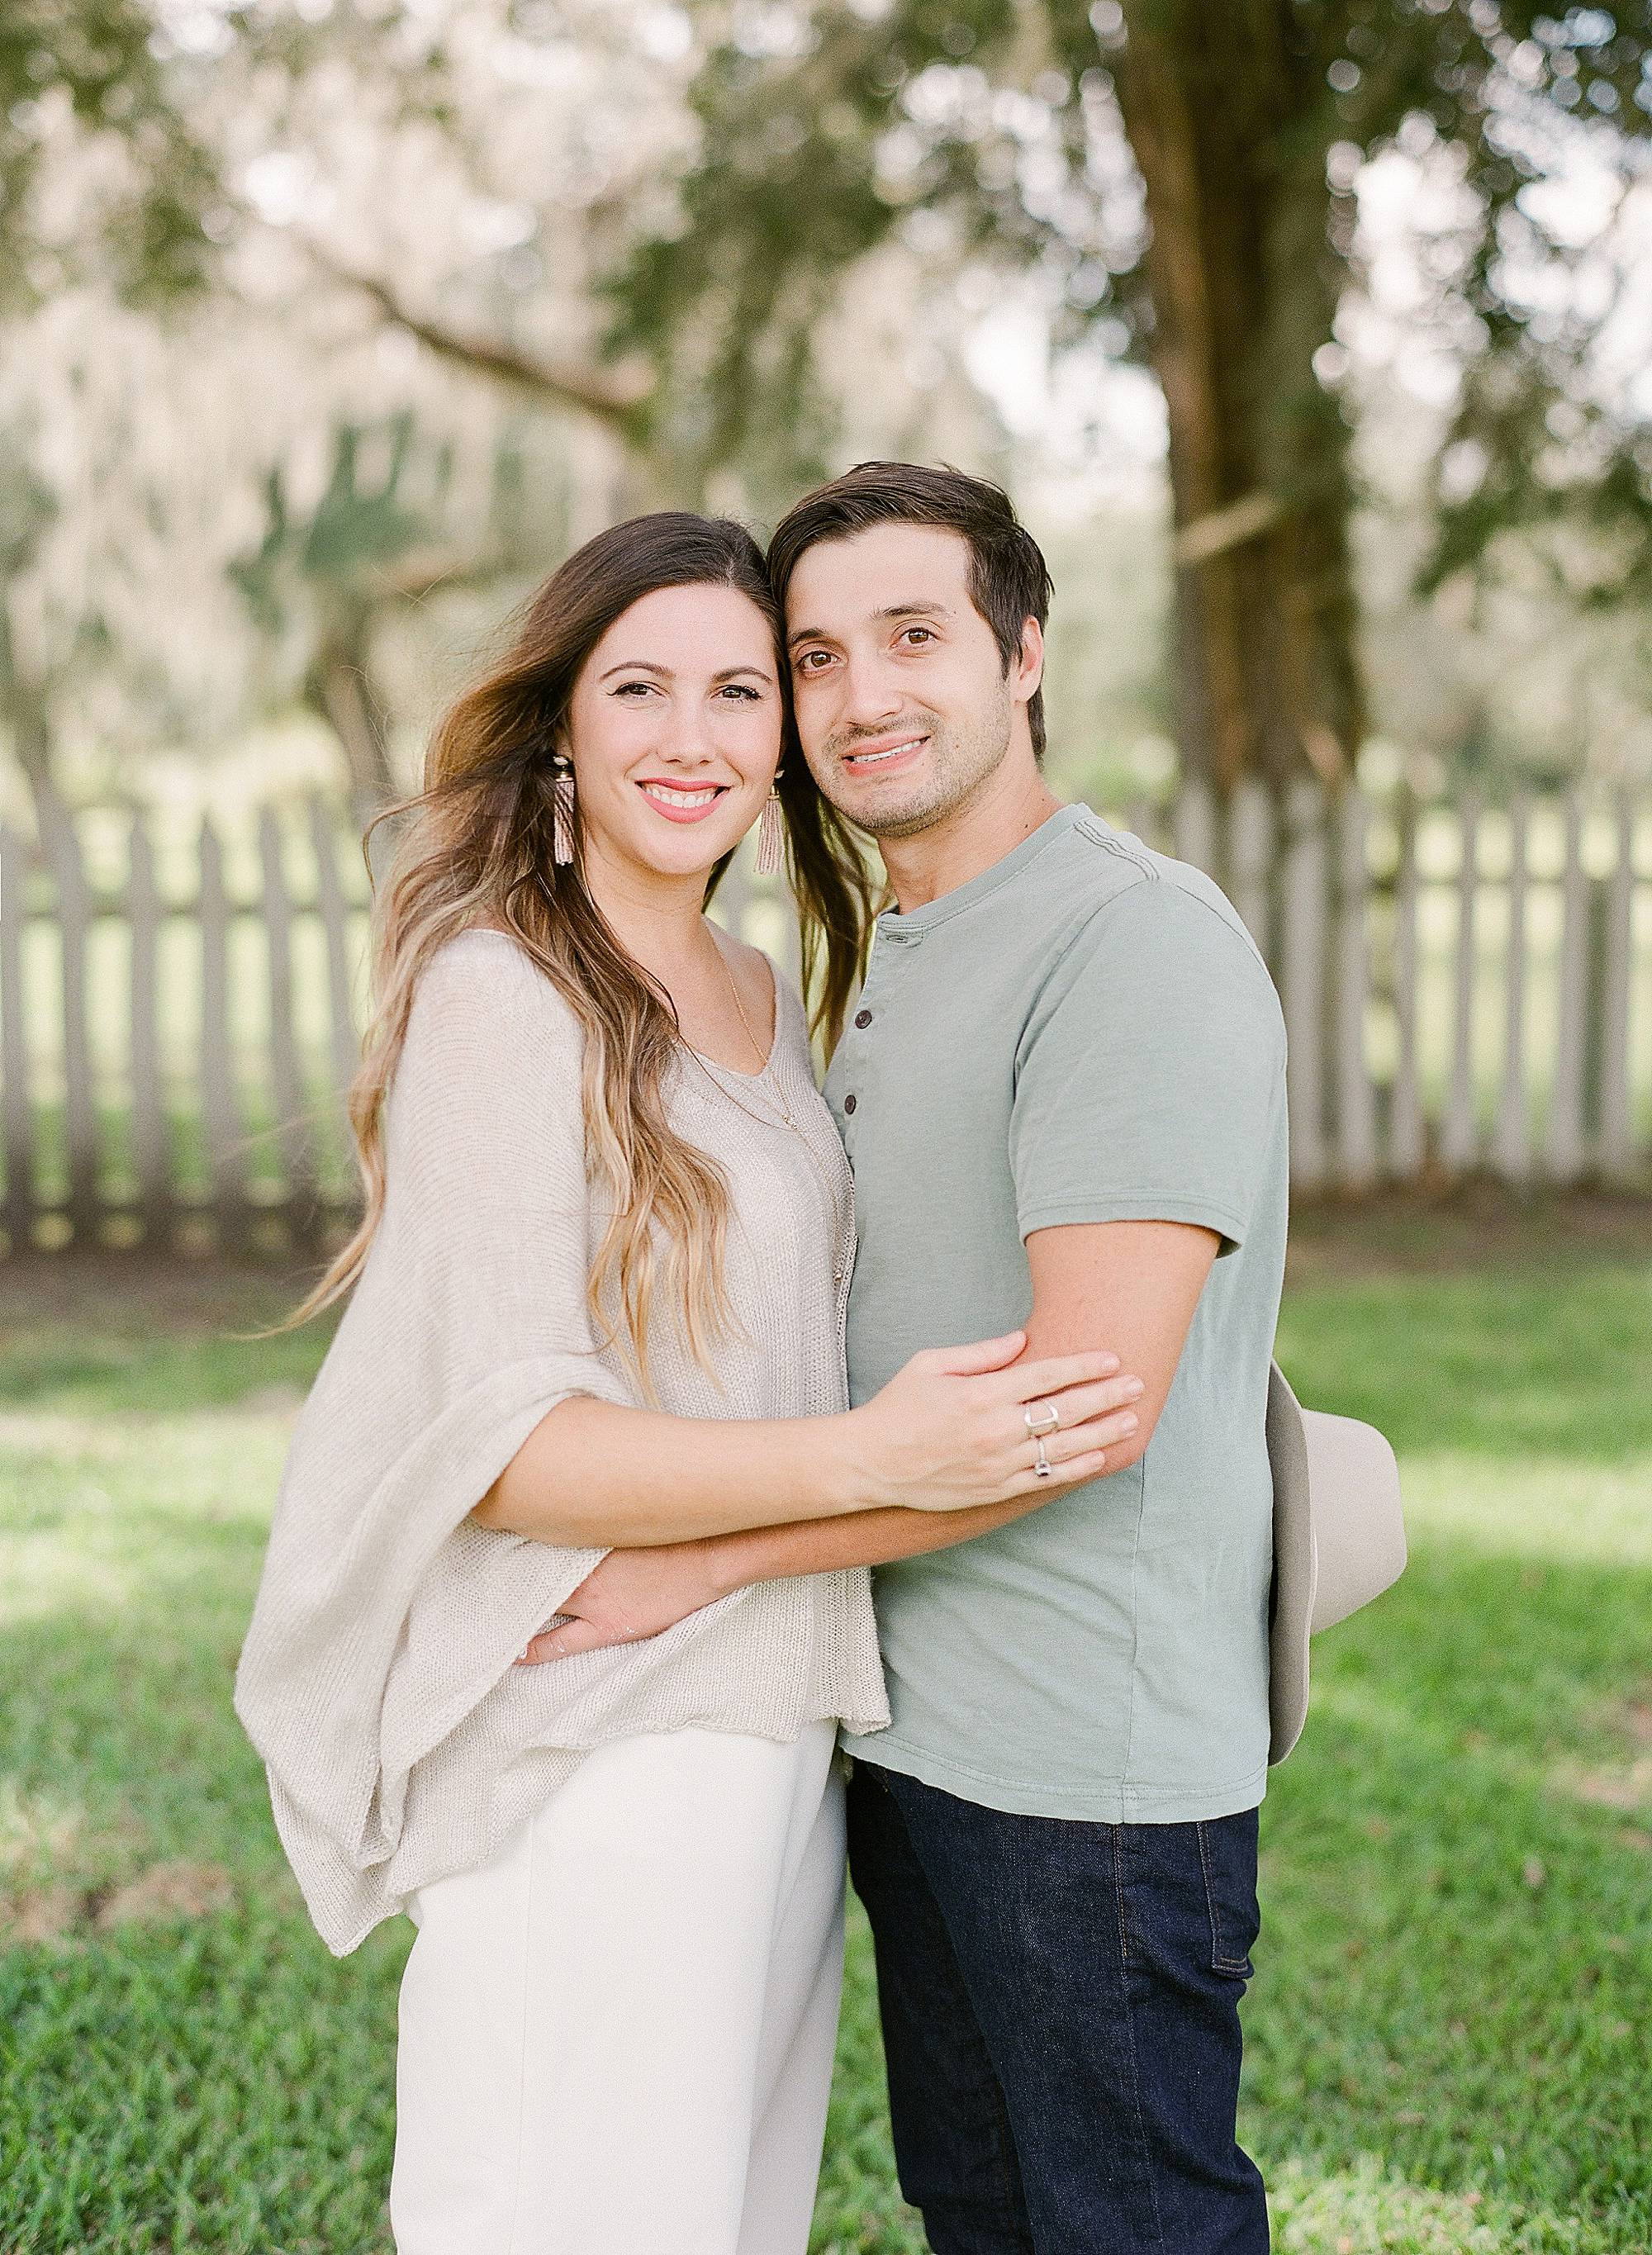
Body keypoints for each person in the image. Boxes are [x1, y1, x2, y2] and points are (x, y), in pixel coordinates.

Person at [232, 510, 1143, 2255]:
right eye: (637, 686)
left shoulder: (759, 989)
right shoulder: (504, 991)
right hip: (596, 1737)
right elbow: (510, 1447)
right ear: (561, 723)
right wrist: (877, 1456)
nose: (694, 735)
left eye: (740, 689)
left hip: (773, 1724)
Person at [525, 466, 1289, 2253]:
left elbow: (1074, 1420)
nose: (862, 696)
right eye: (815, 657)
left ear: (1023, 653)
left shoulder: (1130, 941)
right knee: (980, 2212)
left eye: (915, 638)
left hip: (1082, 1768)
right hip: (917, 1729)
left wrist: (689, 1567)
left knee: (1134, 2224)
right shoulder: (888, 946)